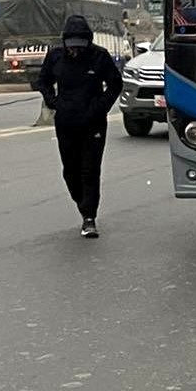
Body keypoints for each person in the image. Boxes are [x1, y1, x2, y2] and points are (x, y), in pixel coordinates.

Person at [38, 14, 124, 238]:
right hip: (66, 122)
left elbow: (116, 84)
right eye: (72, 46)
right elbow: (43, 81)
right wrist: (54, 102)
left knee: (90, 170)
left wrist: (100, 107)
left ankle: (89, 217)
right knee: (71, 171)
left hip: (93, 123)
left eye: (80, 45)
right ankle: (82, 202)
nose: (76, 50)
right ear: (65, 43)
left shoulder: (99, 57)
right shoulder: (55, 57)